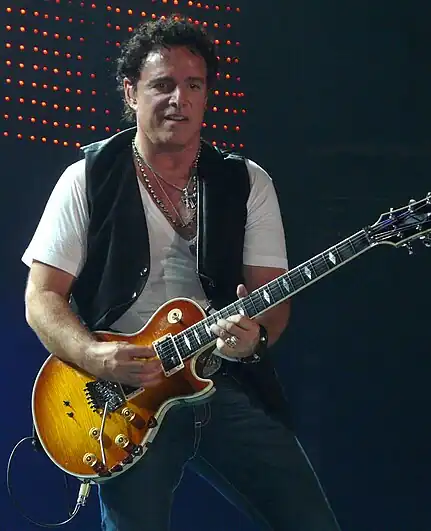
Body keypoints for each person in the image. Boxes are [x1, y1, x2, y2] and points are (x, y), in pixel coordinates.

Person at [22, 15, 341, 531]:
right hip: (124, 396)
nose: (180, 100)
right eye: (163, 85)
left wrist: (254, 339)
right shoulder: (86, 178)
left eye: (194, 86)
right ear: (131, 92)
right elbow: (41, 297)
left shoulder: (246, 181)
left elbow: (271, 300)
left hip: (221, 381)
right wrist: (94, 356)